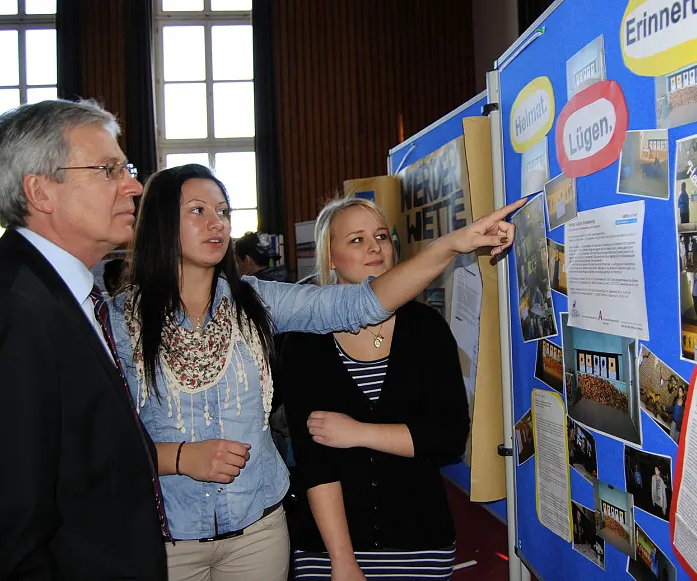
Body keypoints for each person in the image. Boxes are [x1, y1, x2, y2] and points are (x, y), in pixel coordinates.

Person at [109, 167, 520, 580]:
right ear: (161, 221)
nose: (217, 223)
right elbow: (96, 442)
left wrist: (451, 245)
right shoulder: (119, 321)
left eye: (223, 211)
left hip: (257, 532)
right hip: (166, 536)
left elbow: (361, 305)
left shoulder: (257, 302)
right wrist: (178, 457)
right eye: (198, 211)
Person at [0, 100, 168, 579]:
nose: (134, 186)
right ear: (40, 192)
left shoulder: (57, 293)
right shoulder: (7, 309)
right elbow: (0, 535)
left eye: (127, 169)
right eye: (108, 170)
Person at [281, 197, 470, 580]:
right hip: (327, 550)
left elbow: (448, 439)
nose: (375, 247)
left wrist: (357, 432)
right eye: (357, 239)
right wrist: (342, 561)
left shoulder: (426, 328)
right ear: (330, 257)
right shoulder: (305, 339)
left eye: (381, 236)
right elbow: (314, 463)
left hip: (421, 543)